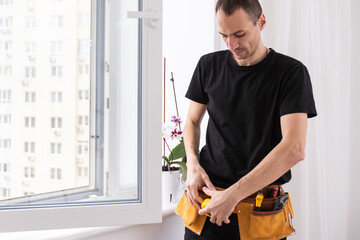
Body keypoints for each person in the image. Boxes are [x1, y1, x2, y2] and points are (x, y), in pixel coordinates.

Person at [182, 0, 317, 239]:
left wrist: (232, 196)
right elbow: (192, 121)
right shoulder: (207, 66)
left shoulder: (291, 73)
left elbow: (294, 148)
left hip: (259, 211)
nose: (232, 44)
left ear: (261, 22)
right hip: (206, 208)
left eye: (239, 34)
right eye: (224, 35)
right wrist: (193, 165)